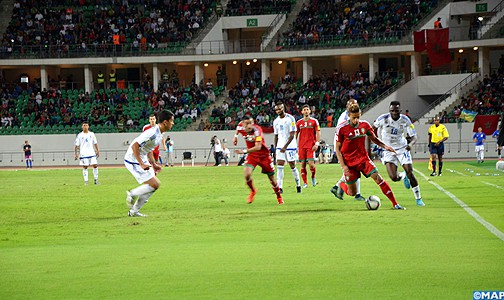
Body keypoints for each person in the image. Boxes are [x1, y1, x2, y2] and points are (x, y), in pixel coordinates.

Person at [334, 103, 406, 210]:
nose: (356, 120)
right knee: (352, 193)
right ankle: (341, 187)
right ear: (349, 115)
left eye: (358, 117)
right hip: (349, 163)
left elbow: (374, 138)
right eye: (354, 118)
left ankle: (395, 204)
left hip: (363, 159)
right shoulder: (342, 128)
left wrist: (385, 146)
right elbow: (337, 149)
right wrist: (343, 166)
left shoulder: (365, 125)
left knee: (378, 178)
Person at [372, 101, 425, 206]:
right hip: (388, 150)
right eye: (392, 111)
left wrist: (410, 145)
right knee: (393, 177)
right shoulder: (383, 119)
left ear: (400, 111)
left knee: (410, 172)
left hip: (402, 148)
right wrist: (378, 143)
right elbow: (372, 129)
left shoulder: (405, 120)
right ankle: (402, 175)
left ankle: (418, 198)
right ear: (389, 111)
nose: (394, 113)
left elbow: (414, 136)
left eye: (396, 111)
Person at [124, 110, 175, 217]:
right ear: (165, 122)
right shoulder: (152, 133)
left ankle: (134, 211)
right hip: (133, 159)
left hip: (142, 157)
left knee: (154, 186)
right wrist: (141, 163)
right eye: (172, 121)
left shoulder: (160, 133)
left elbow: (148, 148)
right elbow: (135, 146)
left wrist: (154, 163)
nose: (173, 123)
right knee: (154, 184)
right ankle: (132, 193)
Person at [234, 115, 283, 204]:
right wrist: (235, 137)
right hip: (252, 156)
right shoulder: (240, 126)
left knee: (272, 179)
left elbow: (258, 147)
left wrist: (244, 151)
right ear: (243, 124)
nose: (250, 125)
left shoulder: (257, 130)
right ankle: (253, 191)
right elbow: (237, 130)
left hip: (264, 156)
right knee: (247, 174)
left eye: (251, 123)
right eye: (247, 123)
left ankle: (279, 197)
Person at [330, 99, 366, 201]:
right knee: (354, 168)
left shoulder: (351, 115)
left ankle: (337, 187)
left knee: (354, 169)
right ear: (347, 106)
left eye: (355, 104)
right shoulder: (344, 117)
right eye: (351, 105)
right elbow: (341, 133)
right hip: (344, 146)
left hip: (348, 145)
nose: (354, 106)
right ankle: (349, 191)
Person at [273, 102, 301, 193]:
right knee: (279, 166)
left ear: (283, 108)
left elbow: (292, 135)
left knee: (292, 166)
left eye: (280, 109)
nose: (278, 111)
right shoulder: (275, 121)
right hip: (280, 147)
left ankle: (298, 185)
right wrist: (276, 148)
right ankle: (280, 188)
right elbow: (276, 136)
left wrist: (285, 147)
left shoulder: (290, 118)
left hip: (290, 146)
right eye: (277, 109)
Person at [296, 104, 321, 188]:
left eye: (307, 109)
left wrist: (317, 143)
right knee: (302, 164)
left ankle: (313, 177)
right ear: (302, 112)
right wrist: (294, 145)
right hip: (302, 146)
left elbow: (318, 132)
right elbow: (296, 134)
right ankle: (305, 183)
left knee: (311, 164)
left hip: (311, 146)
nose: (306, 111)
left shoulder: (314, 121)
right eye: (304, 110)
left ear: (310, 111)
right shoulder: (299, 122)